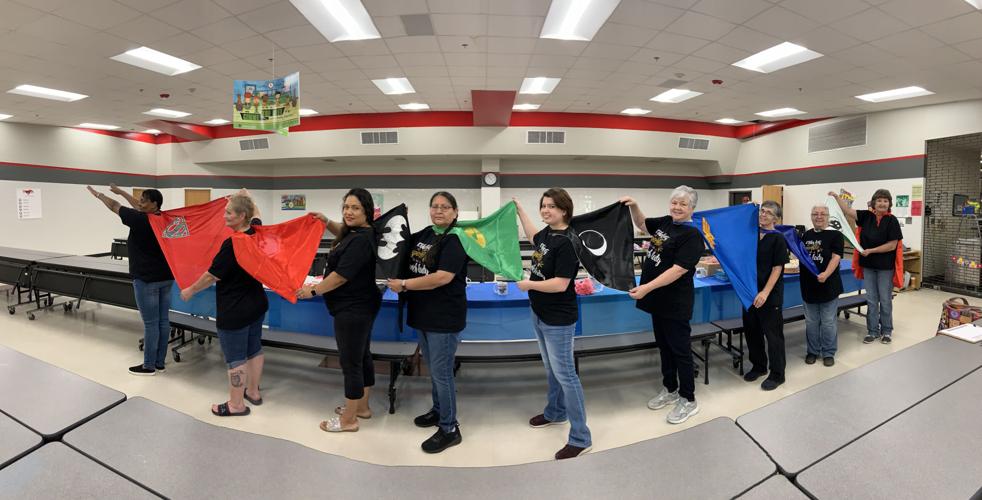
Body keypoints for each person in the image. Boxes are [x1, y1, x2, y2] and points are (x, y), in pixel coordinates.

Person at [387, 191, 468, 454]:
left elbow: (442, 277)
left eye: (445, 207)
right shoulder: (424, 234)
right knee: (434, 370)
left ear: (455, 212)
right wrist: (399, 219)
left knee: (442, 374)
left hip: (443, 317)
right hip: (423, 314)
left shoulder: (455, 239)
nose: (439, 211)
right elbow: (397, 246)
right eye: (434, 206)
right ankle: (438, 410)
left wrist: (405, 284)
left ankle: (450, 428)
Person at [514, 189, 592, 459]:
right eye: (543, 206)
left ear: (565, 210)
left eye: (552, 207)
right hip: (539, 312)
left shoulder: (568, 242)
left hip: (558, 319)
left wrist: (528, 284)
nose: (546, 210)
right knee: (552, 370)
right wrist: (519, 209)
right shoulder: (547, 234)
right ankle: (555, 412)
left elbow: (560, 285)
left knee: (566, 375)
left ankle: (581, 436)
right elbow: (532, 233)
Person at [297, 189, 381, 433]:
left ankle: (349, 420)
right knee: (362, 356)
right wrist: (325, 221)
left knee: (350, 362)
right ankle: (361, 408)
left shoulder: (361, 240)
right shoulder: (360, 233)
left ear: (366, 210)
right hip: (362, 305)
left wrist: (312, 291)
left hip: (352, 309)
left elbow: (340, 277)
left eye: (355, 208)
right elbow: (343, 233)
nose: (348, 212)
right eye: (346, 207)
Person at [621, 186, 705, 424]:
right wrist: (634, 205)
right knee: (664, 347)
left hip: (675, 302)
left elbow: (677, 271)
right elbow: (641, 223)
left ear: (692, 208)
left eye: (683, 204)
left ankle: (689, 399)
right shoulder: (666, 222)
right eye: (674, 202)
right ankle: (670, 389)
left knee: (680, 350)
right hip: (657, 300)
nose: (677, 207)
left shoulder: (692, 235)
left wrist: (646, 287)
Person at [180, 192, 266, 417]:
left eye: (229, 212)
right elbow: (256, 214)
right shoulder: (256, 232)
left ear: (241, 216)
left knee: (236, 358)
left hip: (234, 310)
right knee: (254, 349)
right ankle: (253, 392)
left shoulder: (232, 245)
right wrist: (247, 197)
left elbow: (211, 275)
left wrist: (190, 290)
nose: (224, 216)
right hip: (256, 304)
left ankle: (236, 404)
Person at [87, 184, 174, 376]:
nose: (140, 202)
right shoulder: (164, 219)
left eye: (144, 200)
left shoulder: (139, 220)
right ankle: (160, 362)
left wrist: (100, 195)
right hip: (167, 278)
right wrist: (122, 191)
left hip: (147, 279)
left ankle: (149, 366)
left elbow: (114, 206)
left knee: (151, 323)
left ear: (154, 204)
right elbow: (137, 206)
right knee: (163, 321)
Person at [830, 189, 902, 344]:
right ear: (874, 203)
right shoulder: (865, 216)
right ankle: (873, 331)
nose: (882, 203)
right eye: (879, 200)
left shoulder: (892, 221)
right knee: (871, 299)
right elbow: (847, 210)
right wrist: (836, 197)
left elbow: (891, 245)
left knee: (885, 299)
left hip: (885, 268)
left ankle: (887, 331)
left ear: (889, 204)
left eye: (885, 201)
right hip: (868, 266)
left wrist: (871, 251)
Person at [743, 200, 789, 391]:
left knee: (773, 335)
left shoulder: (778, 238)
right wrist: (749, 209)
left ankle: (778, 374)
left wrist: (765, 292)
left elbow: (777, 268)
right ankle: (759, 366)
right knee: (752, 331)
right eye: (762, 211)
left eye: (768, 213)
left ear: (776, 218)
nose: (763, 215)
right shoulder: (751, 234)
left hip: (768, 294)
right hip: (749, 293)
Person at [800, 205, 844, 367]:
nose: (819, 216)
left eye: (822, 214)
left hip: (829, 286)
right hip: (808, 286)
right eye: (815, 214)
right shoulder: (806, 235)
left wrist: (825, 274)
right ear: (811, 216)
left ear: (828, 217)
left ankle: (828, 352)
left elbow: (836, 257)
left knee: (828, 322)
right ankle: (812, 351)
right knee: (811, 322)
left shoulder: (836, 235)